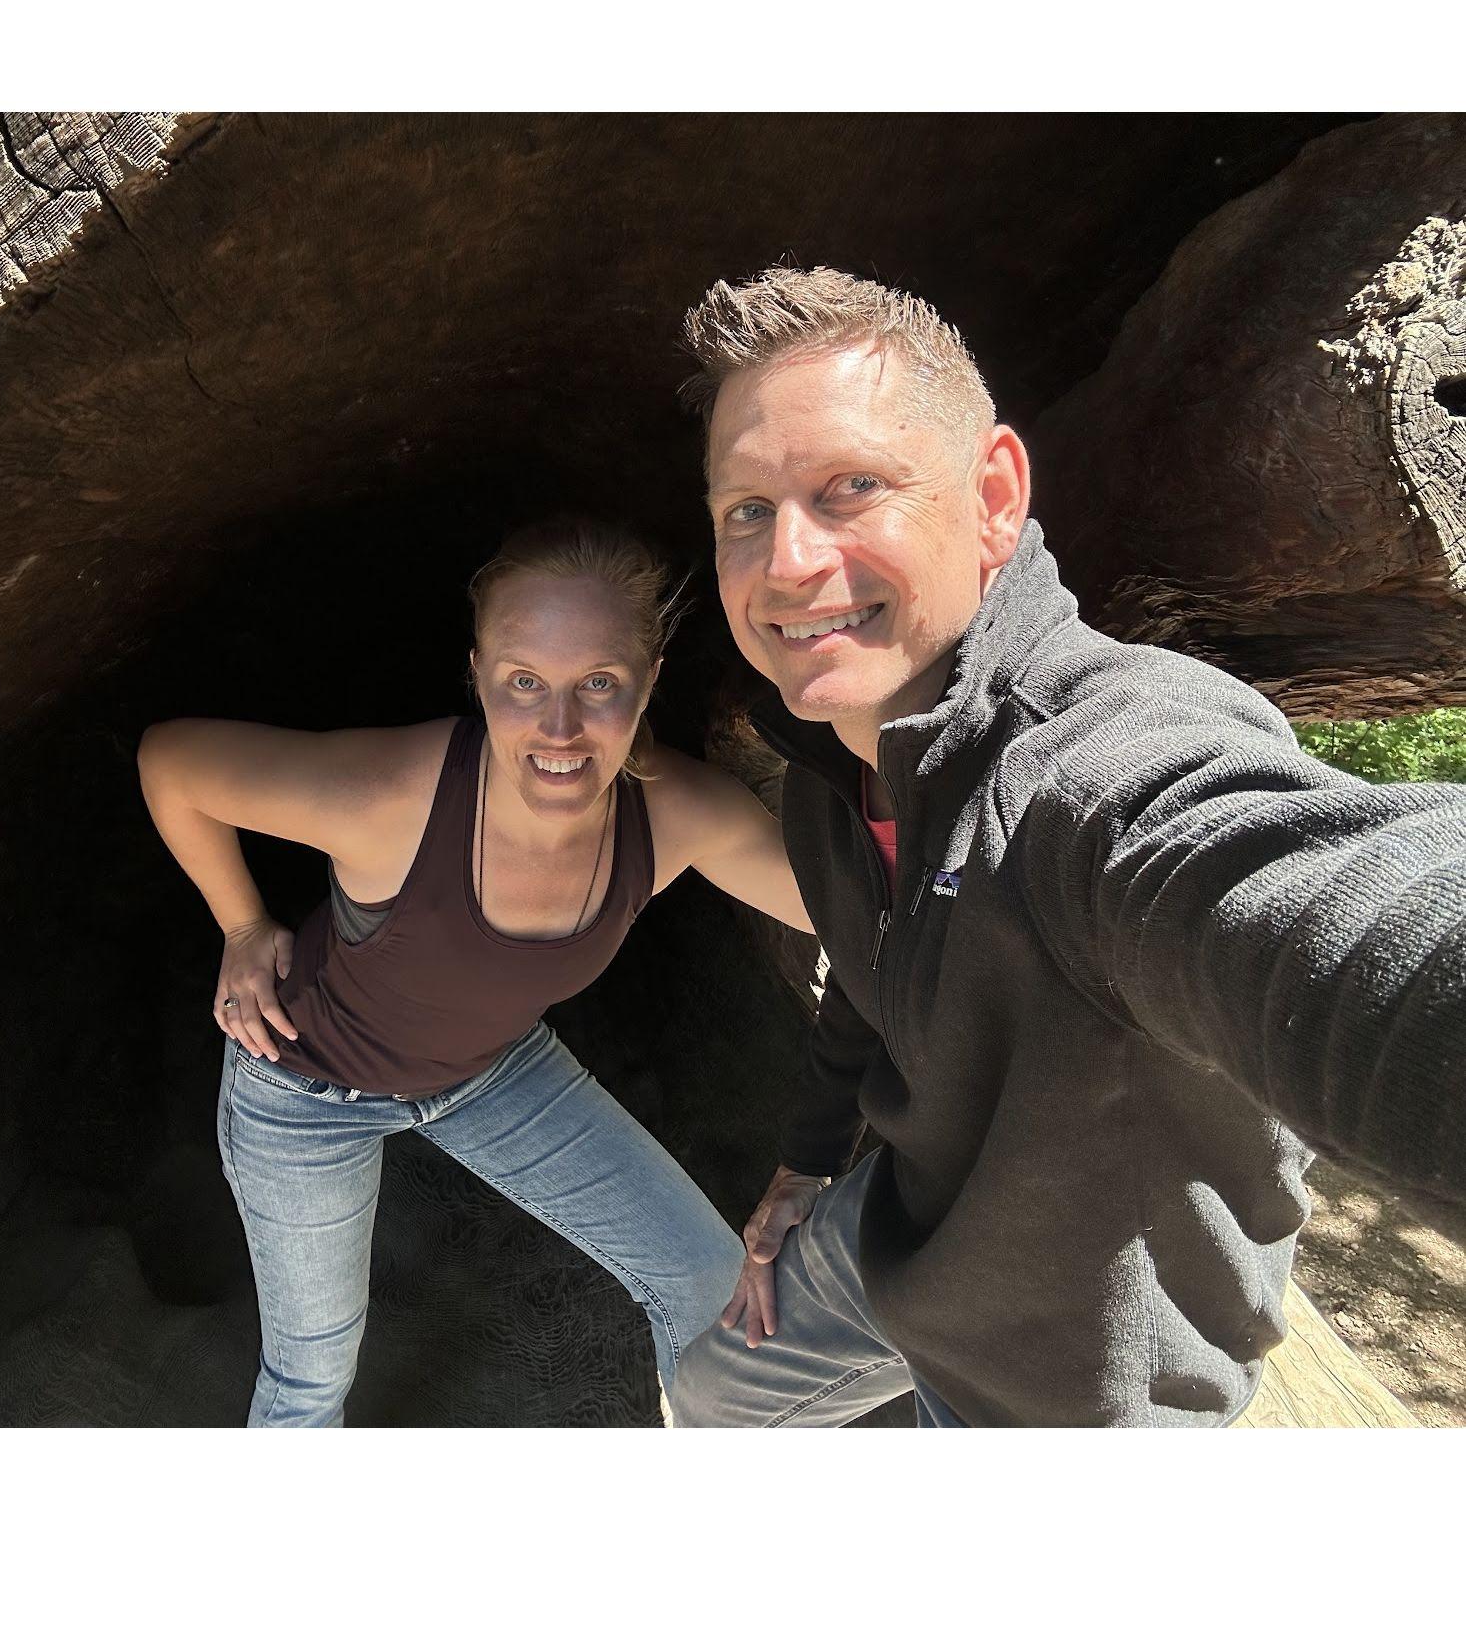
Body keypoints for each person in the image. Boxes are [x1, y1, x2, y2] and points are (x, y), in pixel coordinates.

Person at [668, 264, 1466, 1429]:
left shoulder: (1092, 768)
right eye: (746, 510)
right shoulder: (829, 768)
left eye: (849, 486)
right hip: (896, 1226)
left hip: (1061, 1385)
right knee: (704, 1397)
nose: (786, 561)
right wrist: (804, 1161)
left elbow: (1325, 909)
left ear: (991, 497)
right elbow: (871, 970)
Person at [137, 515, 813, 1427]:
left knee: (713, 1285)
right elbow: (171, 763)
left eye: (599, 684)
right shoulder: (392, 797)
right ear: (479, 676)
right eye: (524, 682)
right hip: (304, 1088)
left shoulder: (678, 814)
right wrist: (243, 923)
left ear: (649, 682)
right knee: (310, 1377)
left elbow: (854, 916)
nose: (560, 727)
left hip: (491, 1073)